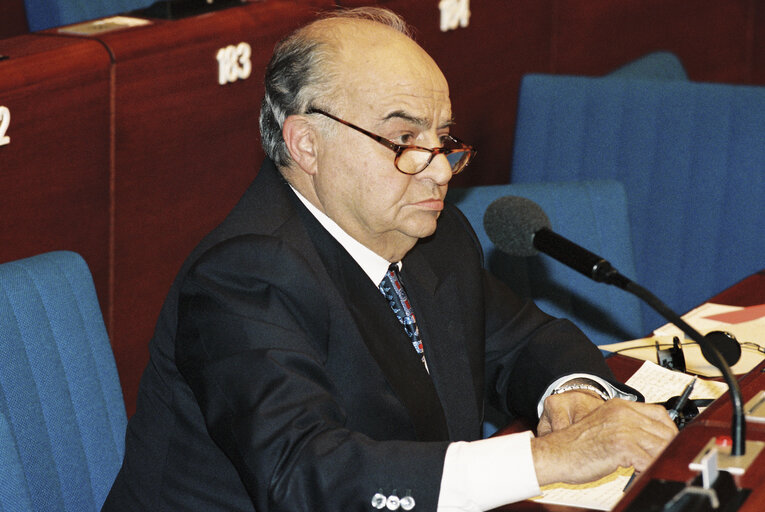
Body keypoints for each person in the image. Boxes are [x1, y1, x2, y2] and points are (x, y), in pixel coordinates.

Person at [103, 7, 677, 511]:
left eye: (444, 139)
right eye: (404, 141)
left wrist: (568, 392)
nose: (438, 169)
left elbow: (520, 343)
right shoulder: (245, 276)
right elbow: (305, 476)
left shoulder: (429, 233)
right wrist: (544, 460)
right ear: (306, 144)